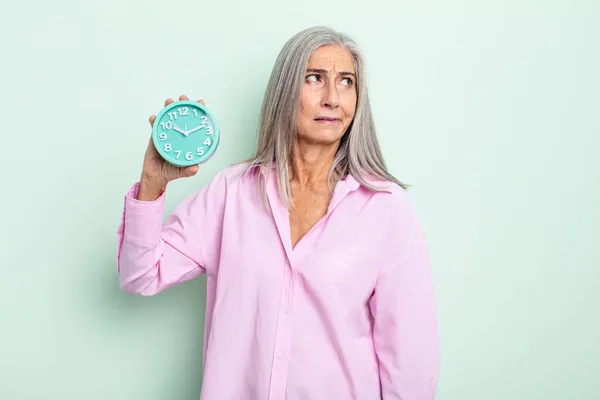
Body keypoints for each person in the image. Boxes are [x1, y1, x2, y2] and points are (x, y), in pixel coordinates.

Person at [116, 25, 439, 400]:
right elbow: (140, 276)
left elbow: (410, 359)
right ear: (286, 90)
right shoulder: (231, 193)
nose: (333, 98)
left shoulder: (385, 208)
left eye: (347, 82)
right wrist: (152, 182)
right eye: (315, 78)